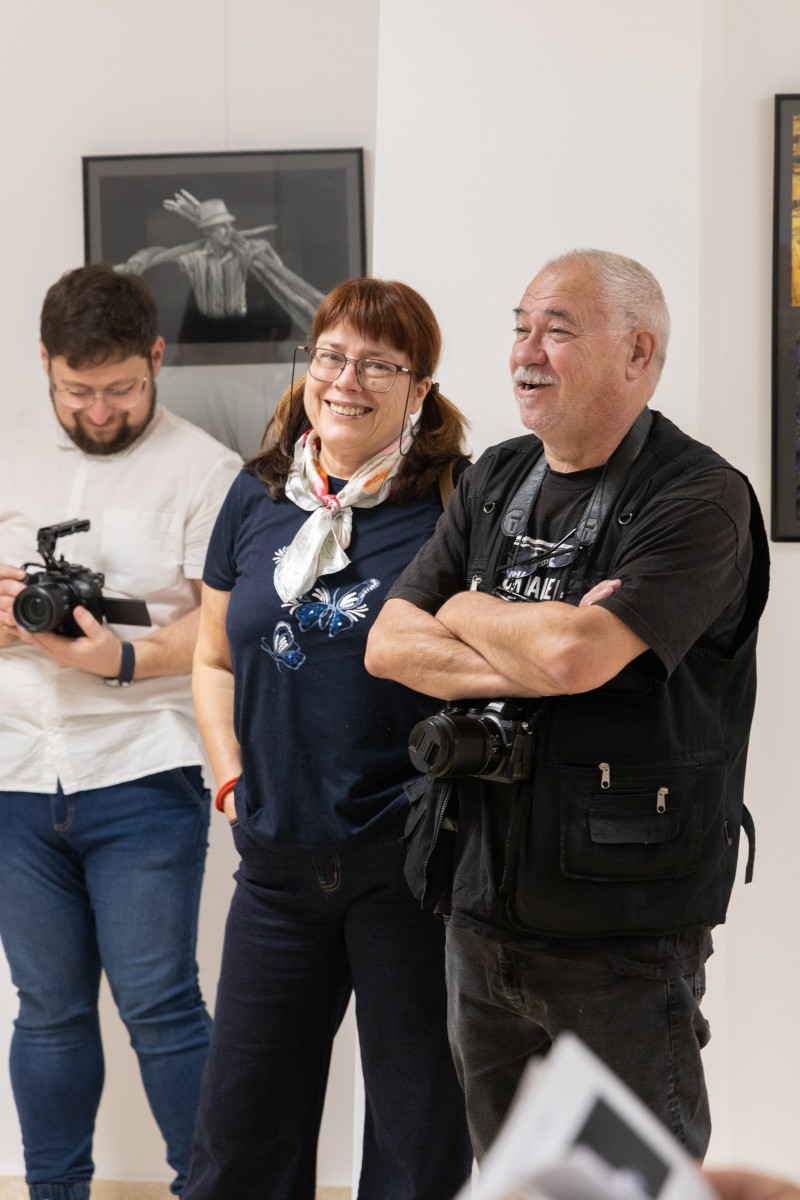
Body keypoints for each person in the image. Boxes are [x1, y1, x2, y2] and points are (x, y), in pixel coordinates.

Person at [366, 249, 769, 1162]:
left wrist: (466, 609)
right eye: (520, 327)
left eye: (557, 331)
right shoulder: (495, 478)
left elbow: (576, 655)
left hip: (623, 934)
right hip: (478, 901)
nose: (525, 352)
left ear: (638, 351)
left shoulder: (699, 498)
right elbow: (388, 644)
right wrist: (540, 646)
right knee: (508, 1174)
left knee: (636, 1182)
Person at [183, 277, 474, 1200]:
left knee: (417, 1141)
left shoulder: (454, 502)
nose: (347, 381)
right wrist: (231, 779)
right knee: (238, 1142)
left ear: (419, 388)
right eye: (332, 356)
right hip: (276, 862)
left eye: (378, 365)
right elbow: (212, 659)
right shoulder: (254, 493)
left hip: (409, 868)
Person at [0, 263, 242, 1200]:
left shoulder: (206, 471)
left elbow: (220, 626)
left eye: (121, 390)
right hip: (17, 771)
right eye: (78, 391)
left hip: (143, 770)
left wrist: (124, 659)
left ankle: (207, 1190)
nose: (100, 411)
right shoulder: (9, 451)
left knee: (160, 1006)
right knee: (47, 1011)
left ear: (157, 359)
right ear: (45, 364)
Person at [116, 190, 325, 333]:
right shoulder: (195, 257)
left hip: (244, 330)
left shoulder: (246, 253)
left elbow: (278, 272)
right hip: (204, 330)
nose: (225, 232)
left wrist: (266, 251)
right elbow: (161, 253)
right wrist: (140, 257)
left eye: (227, 226)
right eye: (219, 228)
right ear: (208, 231)